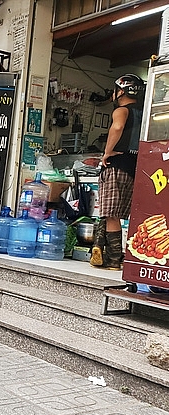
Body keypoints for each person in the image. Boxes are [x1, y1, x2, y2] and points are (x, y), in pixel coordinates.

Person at [90, 74, 145, 270]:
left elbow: (118, 126)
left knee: (110, 213)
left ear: (121, 91)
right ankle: (98, 248)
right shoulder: (144, 112)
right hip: (135, 166)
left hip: (117, 165)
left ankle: (114, 259)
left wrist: (107, 152)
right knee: (116, 212)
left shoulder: (122, 110)